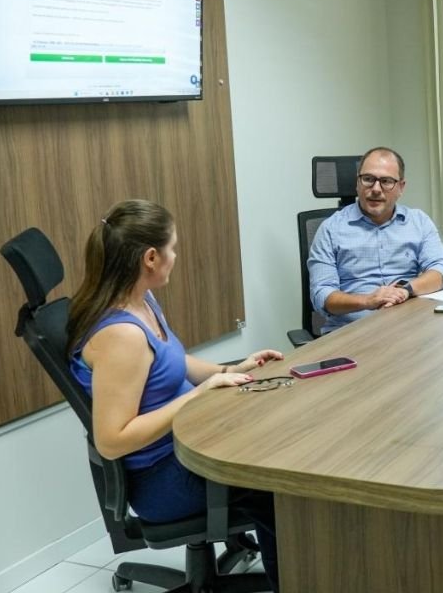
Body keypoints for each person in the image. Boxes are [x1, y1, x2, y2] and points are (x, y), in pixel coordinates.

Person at [65, 200, 283, 591]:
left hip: (188, 444)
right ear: (151, 257)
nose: (175, 256)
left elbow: (173, 362)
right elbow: (112, 440)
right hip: (164, 477)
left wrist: (230, 371)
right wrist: (199, 395)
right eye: (173, 248)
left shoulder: (141, 299)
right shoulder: (121, 337)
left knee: (278, 432)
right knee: (281, 483)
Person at [307, 146, 443, 334]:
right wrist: (368, 301)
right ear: (357, 183)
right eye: (368, 179)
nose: (376, 189)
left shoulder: (418, 222)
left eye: (386, 181)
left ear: (401, 187)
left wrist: (405, 291)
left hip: (408, 330)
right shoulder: (330, 229)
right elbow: (322, 296)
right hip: (351, 333)